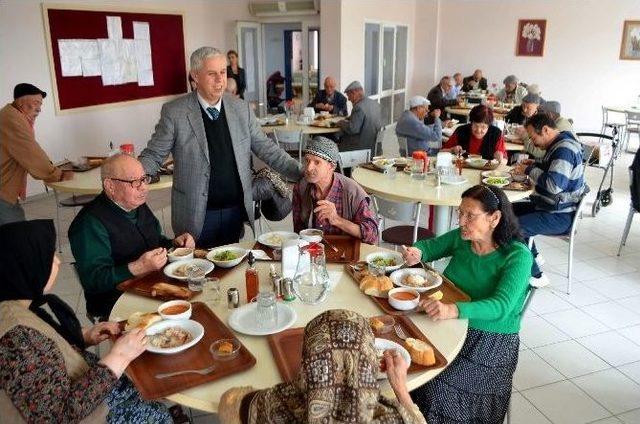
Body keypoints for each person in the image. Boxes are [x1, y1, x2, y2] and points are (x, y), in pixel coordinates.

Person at [0, 220, 171, 423]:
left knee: (147, 392)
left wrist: (84, 336)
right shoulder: (17, 339)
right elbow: (58, 417)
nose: (58, 261)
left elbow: (48, 350)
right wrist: (119, 356)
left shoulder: (18, 304)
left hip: (87, 382)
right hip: (90, 412)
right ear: (27, 266)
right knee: (158, 415)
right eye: (48, 256)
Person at [139, 47, 302, 248]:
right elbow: (154, 154)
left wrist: (302, 172)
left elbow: (267, 148)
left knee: (229, 270)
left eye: (223, 72)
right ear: (195, 76)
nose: (220, 79)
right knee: (196, 272)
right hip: (195, 213)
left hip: (235, 210)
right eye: (212, 73)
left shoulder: (240, 109)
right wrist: (133, 177)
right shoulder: (175, 112)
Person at [402, 185, 532, 423]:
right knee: (408, 366)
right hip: (450, 323)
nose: (461, 221)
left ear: (494, 218)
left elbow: (501, 306)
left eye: (470, 215)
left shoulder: (518, 256)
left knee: (435, 389)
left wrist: (453, 310)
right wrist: (416, 252)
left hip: (490, 342)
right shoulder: (463, 239)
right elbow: (429, 248)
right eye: (460, 213)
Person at [218, 309, 426, 423]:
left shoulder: (273, 406)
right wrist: (400, 387)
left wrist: (306, 385)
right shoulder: (390, 417)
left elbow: (229, 402)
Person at [69, 154, 195, 318]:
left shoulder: (135, 205)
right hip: (116, 301)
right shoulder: (89, 224)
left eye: (144, 179)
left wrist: (175, 245)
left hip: (153, 287)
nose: (143, 187)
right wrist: (137, 267)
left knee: (200, 296)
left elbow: (156, 242)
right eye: (134, 182)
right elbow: (94, 280)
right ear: (110, 186)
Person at [512, 113, 586, 284]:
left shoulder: (564, 150)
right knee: (505, 212)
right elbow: (552, 170)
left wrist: (529, 171)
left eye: (533, 137)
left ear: (545, 130)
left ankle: (536, 276)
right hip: (551, 206)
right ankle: (534, 255)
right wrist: (535, 165)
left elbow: (554, 185)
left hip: (560, 214)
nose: (532, 142)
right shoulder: (559, 144)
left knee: (512, 228)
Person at [0, 83, 73, 225]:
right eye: (36, 103)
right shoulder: (12, 120)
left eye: (40, 104)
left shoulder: (11, 115)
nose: (39, 108)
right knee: (15, 234)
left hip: (4, 188)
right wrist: (58, 175)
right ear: (21, 103)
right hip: (2, 191)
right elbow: (31, 153)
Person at [292, 137, 378, 244]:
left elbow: (373, 234)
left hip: (347, 252)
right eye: (307, 160)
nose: (309, 168)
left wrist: (336, 219)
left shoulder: (352, 191)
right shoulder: (301, 188)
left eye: (317, 162)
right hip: (313, 251)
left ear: (331, 166)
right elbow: (298, 231)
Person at [442, 104, 507, 162]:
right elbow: (441, 152)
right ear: (471, 123)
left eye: (483, 127)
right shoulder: (461, 131)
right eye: (475, 125)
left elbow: (505, 161)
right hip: (463, 171)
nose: (478, 130)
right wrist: (452, 150)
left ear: (489, 126)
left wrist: (500, 158)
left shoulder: (496, 134)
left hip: (487, 173)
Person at [337, 80, 382, 155]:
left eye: (349, 96)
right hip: (375, 146)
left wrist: (341, 123)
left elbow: (353, 129)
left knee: (336, 144)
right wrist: (351, 118)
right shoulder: (375, 103)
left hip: (361, 147)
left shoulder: (358, 107)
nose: (348, 99)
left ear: (354, 93)